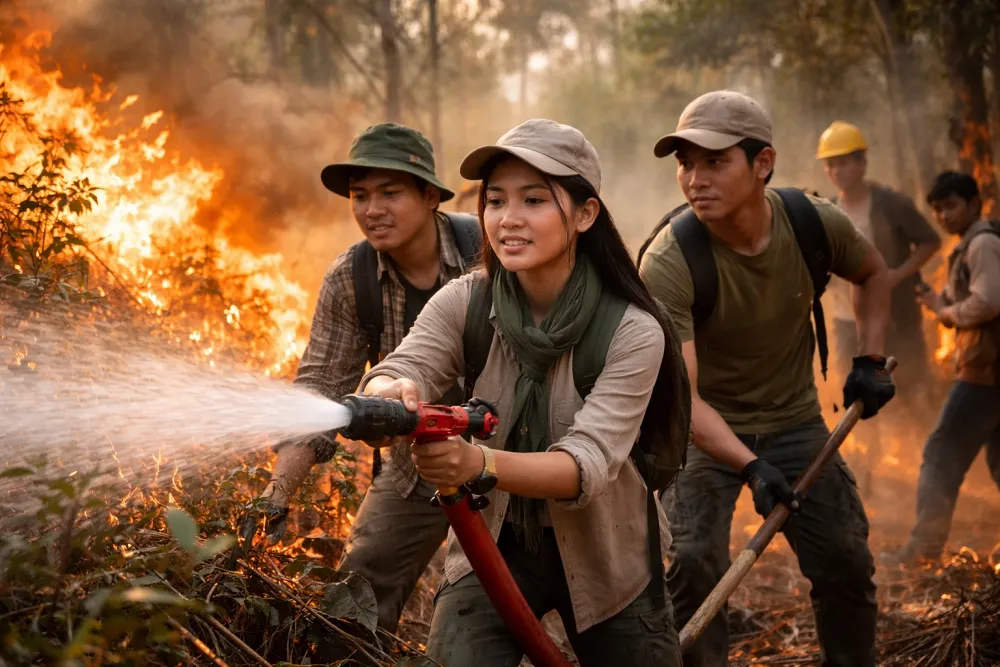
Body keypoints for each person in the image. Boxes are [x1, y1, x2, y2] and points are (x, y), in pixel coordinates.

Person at [360, 118, 685, 666]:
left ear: (585, 214)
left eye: (534, 200)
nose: (507, 219)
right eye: (495, 201)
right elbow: (401, 367)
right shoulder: (464, 301)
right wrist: (390, 391)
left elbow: (585, 464)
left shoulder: (633, 330)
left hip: (610, 555)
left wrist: (476, 463)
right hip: (492, 544)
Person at [640, 91, 896, 667]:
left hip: (796, 421)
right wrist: (751, 466)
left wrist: (870, 360)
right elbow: (685, 402)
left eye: (715, 161)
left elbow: (874, 273)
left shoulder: (812, 222)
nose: (695, 179)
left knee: (845, 560)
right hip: (703, 436)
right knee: (694, 565)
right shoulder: (670, 261)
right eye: (686, 163)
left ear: (763, 163)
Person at [253, 122, 480, 633]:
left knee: (489, 608)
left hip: (512, 457)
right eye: (360, 196)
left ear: (430, 197)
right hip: (417, 467)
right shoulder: (351, 280)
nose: (372, 210)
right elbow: (319, 387)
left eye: (390, 193)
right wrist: (275, 496)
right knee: (353, 603)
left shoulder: (487, 252)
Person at [816, 121, 941, 492]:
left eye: (844, 162)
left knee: (911, 389)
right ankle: (868, 472)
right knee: (854, 393)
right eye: (831, 164)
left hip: (895, 317)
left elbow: (930, 241)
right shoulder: (829, 210)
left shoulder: (891, 203)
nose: (837, 170)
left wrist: (898, 274)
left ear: (862, 163)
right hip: (845, 321)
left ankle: (934, 462)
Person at [895, 171, 1000, 563]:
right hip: (989, 371)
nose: (943, 215)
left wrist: (946, 313)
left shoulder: (982, 243)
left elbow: (988, 302)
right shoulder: (972, 244)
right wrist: (940, 303)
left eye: (951, 206)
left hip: (984, 375)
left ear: (974, 204)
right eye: (937, 209)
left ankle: (923, 549)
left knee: (941, 453)